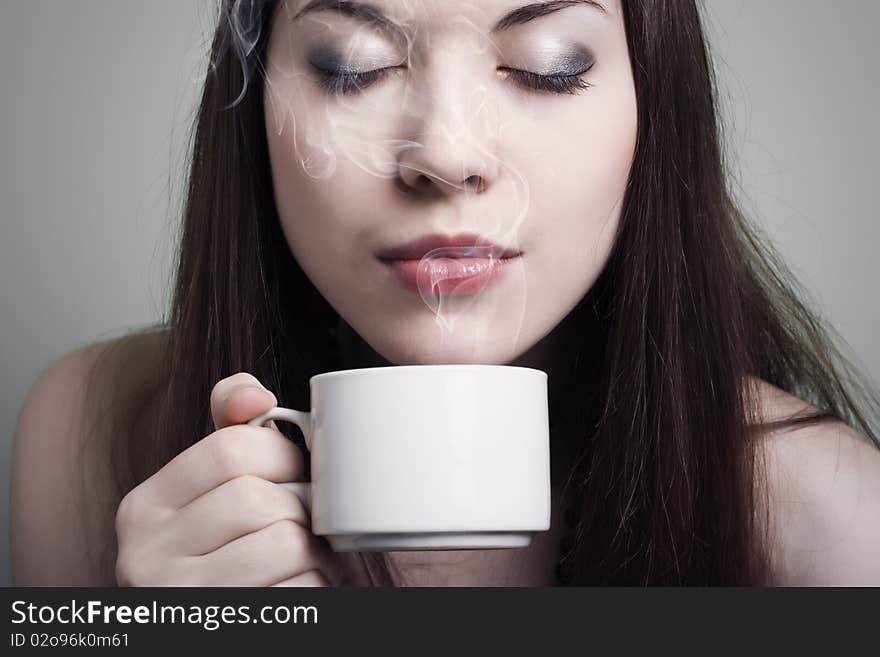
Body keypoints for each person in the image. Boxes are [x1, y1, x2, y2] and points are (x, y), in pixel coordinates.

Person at [11, 0, 880, 586]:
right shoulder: (97, 434)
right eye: (352, 65)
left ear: (656, 105)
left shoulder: (825, 519)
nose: (448, 152)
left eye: (547, 66)